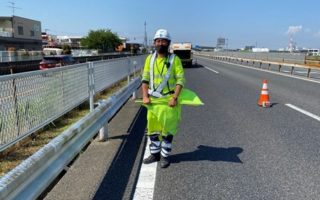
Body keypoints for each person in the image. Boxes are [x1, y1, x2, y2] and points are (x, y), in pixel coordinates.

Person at [141, 29, 185, 168]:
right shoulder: (150, 58)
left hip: (168, 101)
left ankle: (165, 156)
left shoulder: (175, 59)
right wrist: (144, 96)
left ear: (168, 43)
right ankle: (154, 154)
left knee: (167, 131)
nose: (161, 43)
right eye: (158, 41)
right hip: (153, 102)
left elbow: (180, 80)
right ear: (154, 43)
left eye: (164, 41)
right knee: (152, 129)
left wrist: (175, 97)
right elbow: (145, 78)